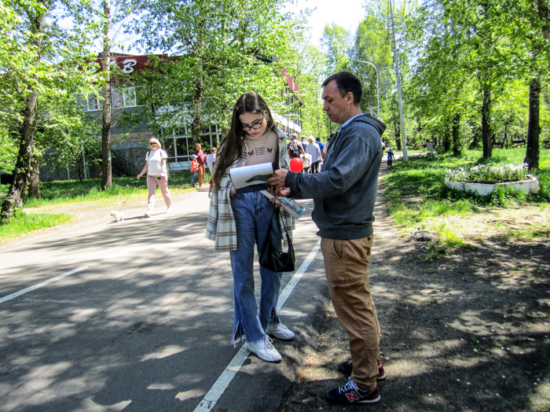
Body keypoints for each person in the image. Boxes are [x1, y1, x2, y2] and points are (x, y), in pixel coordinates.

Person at [268, 71, 386, 405]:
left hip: (345, 236)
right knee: (357, 303)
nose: (324, 107)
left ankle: (364, 385)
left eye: (329, 99)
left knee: (353, 308)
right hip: (344, 231)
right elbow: (333, 180)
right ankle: (370, 365)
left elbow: (337, 181)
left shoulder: (360, 134)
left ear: (350, 97)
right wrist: (296, 186)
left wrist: (294, 177)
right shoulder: (353, 132)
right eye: (323, 100)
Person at [206, 91, 295, 363]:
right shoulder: (231, 143)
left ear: (266, 114)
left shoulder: (278, 139)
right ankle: (255, 337)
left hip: (270, 205)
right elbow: (217, 181)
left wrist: (283, 193)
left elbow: (285, 174)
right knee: (242, 274)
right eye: (245, 125)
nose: (252, 130)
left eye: (257, 123)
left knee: (273, 268)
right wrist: (230, 187)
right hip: (240, 208)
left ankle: (269, 320)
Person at [137, 137, 172, 217]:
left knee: (165, 192)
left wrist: (163, 172)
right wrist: (141, 174)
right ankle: (149, 211)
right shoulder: (148, 154)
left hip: (160, 176)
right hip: (150, 176)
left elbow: (163, 163)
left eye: (155, 143)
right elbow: (146, 166)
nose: (153, 145)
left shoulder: (161, 152)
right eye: (151, 143)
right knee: (151, 194)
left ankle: (169, 206)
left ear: (158, 144)